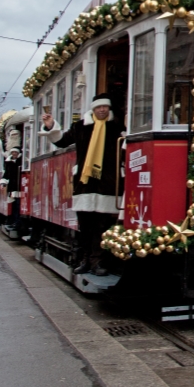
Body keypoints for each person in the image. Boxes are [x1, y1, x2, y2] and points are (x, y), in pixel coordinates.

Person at [41, 95, 124, 276]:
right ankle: (86, 259)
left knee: (102, 225)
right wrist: (51, 126)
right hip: (85, 183)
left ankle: (98, 261)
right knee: (85, 225)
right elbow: (62, 141)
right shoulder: (81, 127)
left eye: (105, 107)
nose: (102, 110)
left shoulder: (117, 127)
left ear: (109, 109)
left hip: (108, 183)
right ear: (93, 109)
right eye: (98, 107)